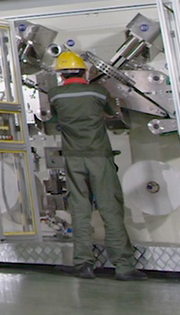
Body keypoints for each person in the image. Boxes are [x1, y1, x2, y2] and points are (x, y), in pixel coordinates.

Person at [47, 50, 147, 281]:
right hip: (99, 157)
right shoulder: (98, 92)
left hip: (73, 158)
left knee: (80, 210)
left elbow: (54, 118)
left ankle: (83, 264)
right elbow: (112, 114)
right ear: (84, 72)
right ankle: (123, 267)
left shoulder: (55, 95)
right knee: (110, 209)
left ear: (61, 75)